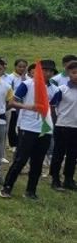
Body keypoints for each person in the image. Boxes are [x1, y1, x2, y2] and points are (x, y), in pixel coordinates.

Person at [0, 60, 61, 200]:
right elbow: (12, 102)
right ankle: (7, 187)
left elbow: (52, 109)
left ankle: (31, 191)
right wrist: (29, 107)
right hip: (28, 126)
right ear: (38, 71)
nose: (47, 73)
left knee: (38, 161)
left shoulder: (55, 89)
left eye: (50, 71)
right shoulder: (27, 84)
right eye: (45, 70)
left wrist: (53, 125)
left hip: (45, 128)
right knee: (21, 159)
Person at [50, 60, 77, 191]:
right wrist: (56, 121)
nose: (76, 75)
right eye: (74, 72)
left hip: (76, 127)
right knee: (59, 153)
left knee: (73, 155)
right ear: (68, 73)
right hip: (63, 126)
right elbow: (52, 105)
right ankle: (55, 179)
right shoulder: (62, 89)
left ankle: (69, 179)